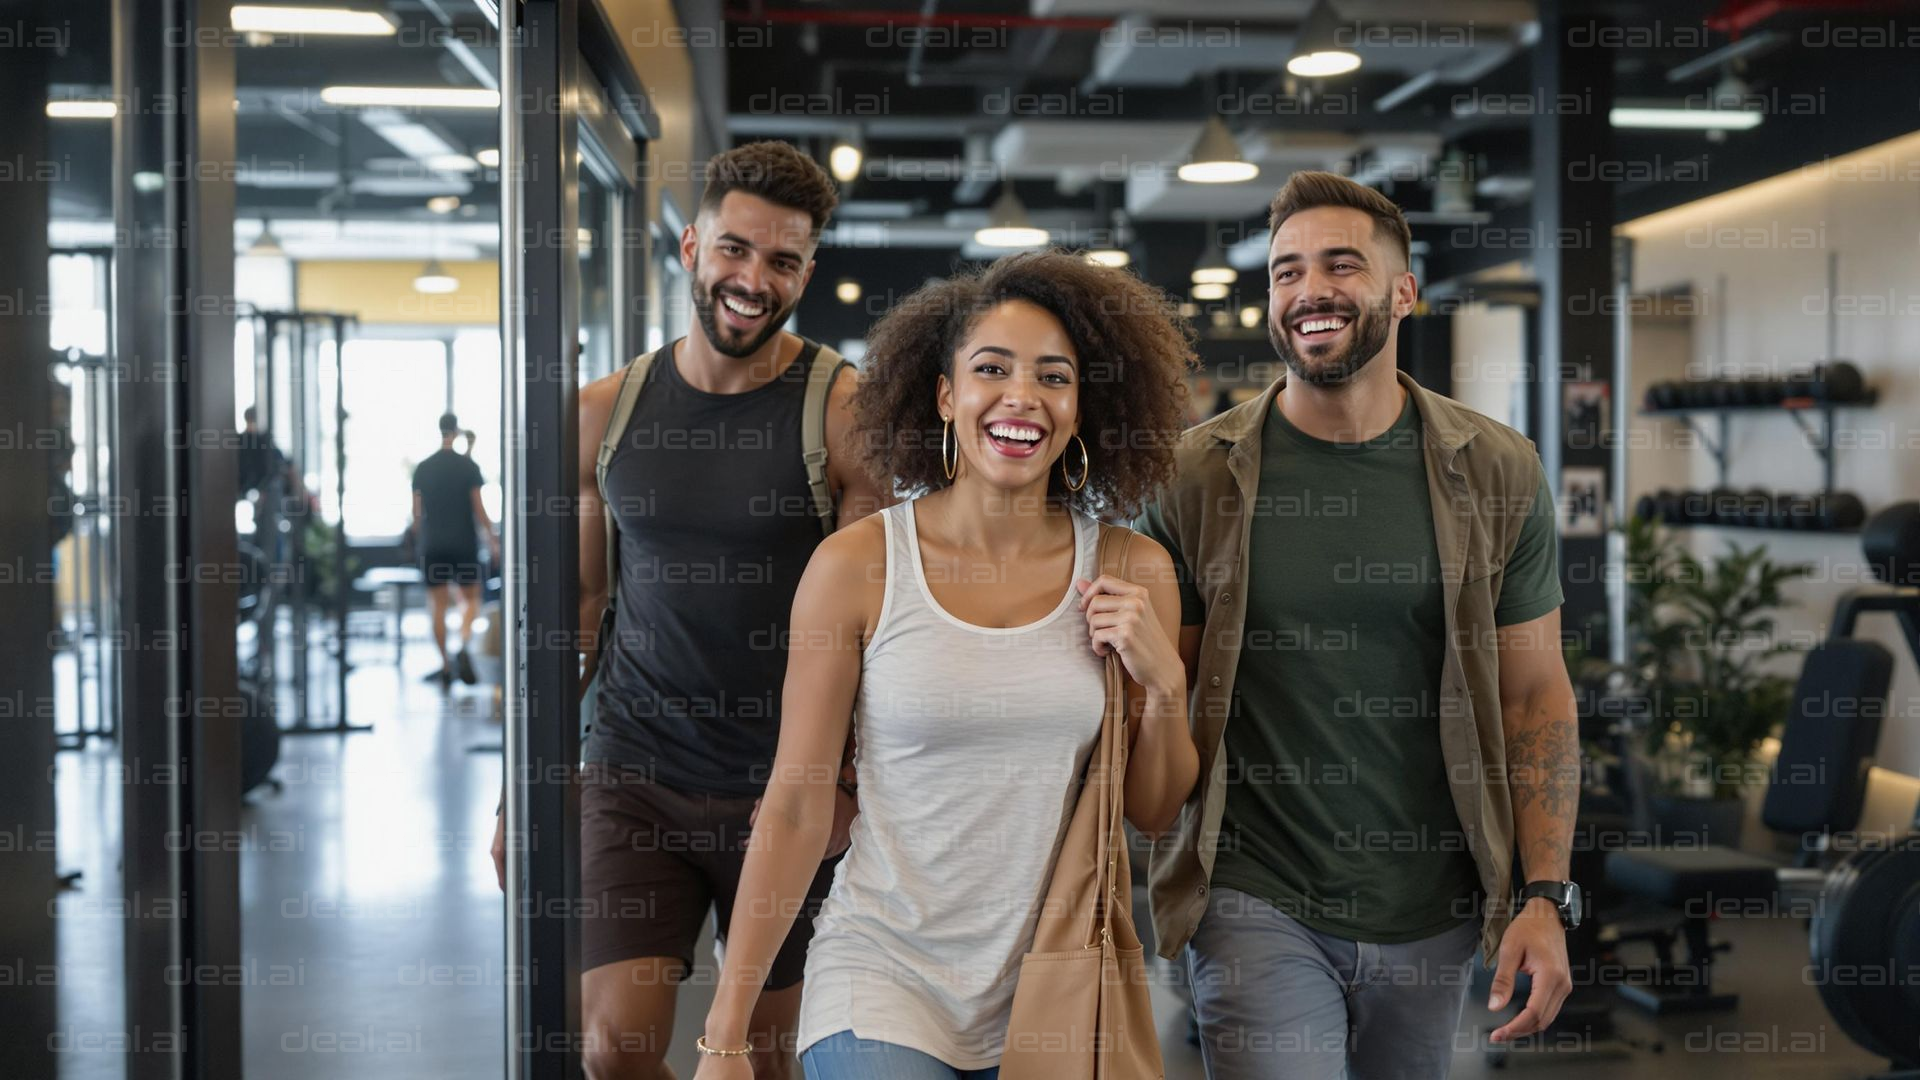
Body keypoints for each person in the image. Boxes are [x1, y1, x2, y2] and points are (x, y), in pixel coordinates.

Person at [692, 249, 1202, 1080]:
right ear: (944, 395)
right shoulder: (857, 566)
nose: (1021, 398)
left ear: (1081, 407)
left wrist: (1165, 684)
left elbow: (1149, 811)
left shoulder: (1131, 569)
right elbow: (793, 803)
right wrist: (726, 1030)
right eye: (991, 369)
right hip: (880, 970)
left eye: (1053, 377)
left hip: (1055, 981)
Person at [1136, 170, 1581, 1080]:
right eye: (1286, 272)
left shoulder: (1497, 470)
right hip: (1253, 894)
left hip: (1435, 905)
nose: (1309, 292)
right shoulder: (1196, 477)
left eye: (1342, 266)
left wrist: (1543, 897)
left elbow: (1535, 692)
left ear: (1403, 292)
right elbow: (1167, 710)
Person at [487, 140, 892, 1080]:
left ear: (806, 271)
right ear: (691, 248)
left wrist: (846, 777)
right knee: (614, 1050)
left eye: (782, 261)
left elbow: (879, 624)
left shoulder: (844, 412)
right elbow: (580, 609)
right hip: (635, 769)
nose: (754, 280)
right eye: (736, 251)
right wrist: (525, 777)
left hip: (783, 787)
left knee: (767, 1055)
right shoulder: (604, 414)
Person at [412, 410, 498, 689]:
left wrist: (419, 540)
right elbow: (479, 509)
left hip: (433, 543)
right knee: (471, 600)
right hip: (463, 543)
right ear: (456, 430)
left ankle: (446, 666)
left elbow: (416, 514)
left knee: (437, 606)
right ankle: (462, 644)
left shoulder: (423, 467)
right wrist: (492, 539)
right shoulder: (467, 467)